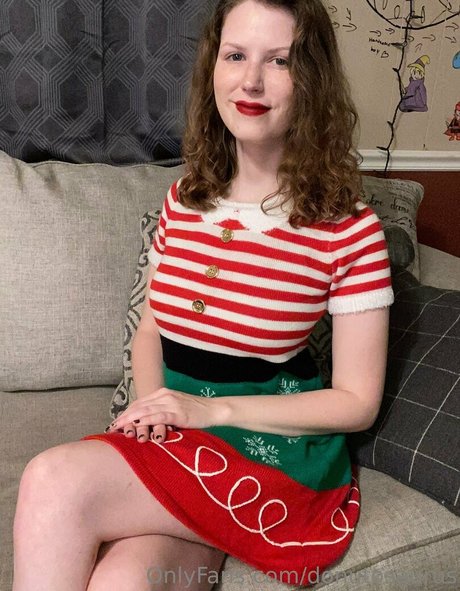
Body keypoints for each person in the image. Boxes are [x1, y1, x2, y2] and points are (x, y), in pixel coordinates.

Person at [12, 1, 394, 589]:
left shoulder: (348, 228)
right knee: (127, 582)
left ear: (312, 78)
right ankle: (206, 531)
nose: (251, 81)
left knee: (52, 480)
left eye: (279, 61)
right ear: (213, 66)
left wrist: (211, 412)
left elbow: (357, 401)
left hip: (272, 454)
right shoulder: (184, 199)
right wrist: (157, 422)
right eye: (235, 56)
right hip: (179, 440)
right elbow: (150, 332)